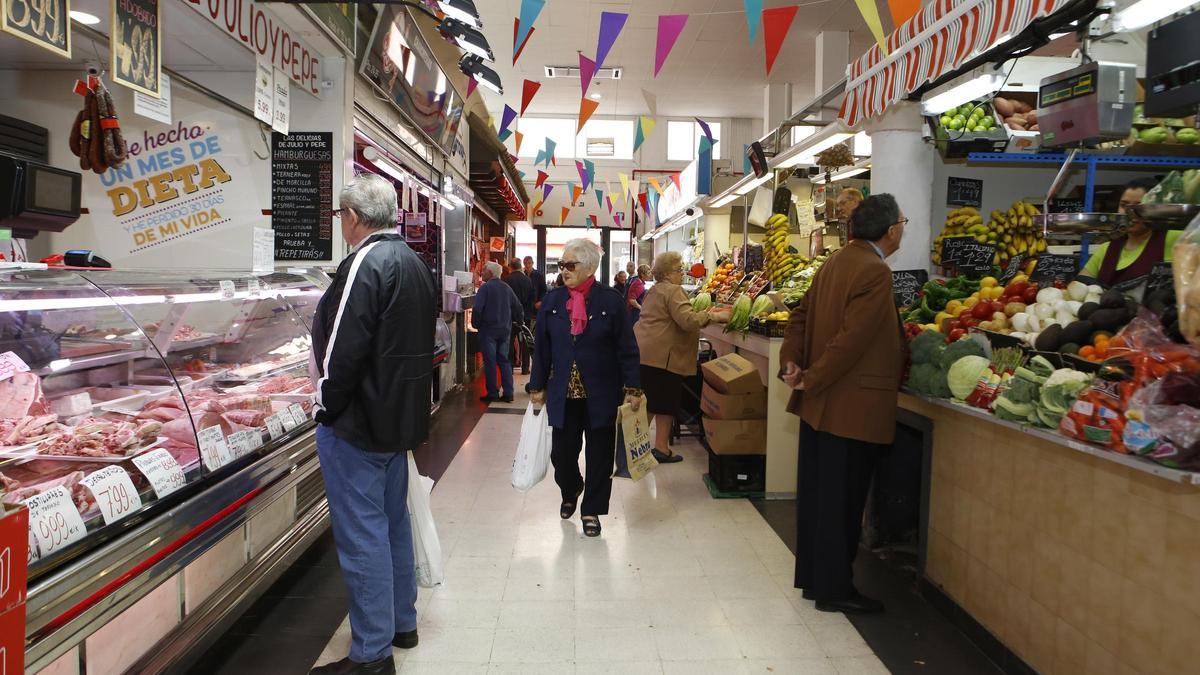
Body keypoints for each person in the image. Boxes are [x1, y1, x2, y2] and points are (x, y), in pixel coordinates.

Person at [309, 174, 437, 675]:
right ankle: (401, 623)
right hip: (399, 418)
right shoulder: (413, 262)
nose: (342, 223)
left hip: (357, 423)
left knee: (362, 535)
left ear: (354, 217)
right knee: (392, 525)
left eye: (342, 215)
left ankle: (370, 655)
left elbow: (342, 349)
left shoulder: (363, 262)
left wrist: (324, 404)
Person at [779, 193, 906, 615]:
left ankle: (817, 580)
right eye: (902, 222)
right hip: (851, 409)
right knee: (843, 503)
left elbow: (799, 316)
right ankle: (834, 588)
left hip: (821, 406)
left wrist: (792, 363)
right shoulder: (875, 272)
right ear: (892, 230)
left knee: (820, 500)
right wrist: (811, 376)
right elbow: (853, 340)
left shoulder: (835, 262)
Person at [529, 239, 643, 538]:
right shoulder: (553, 302)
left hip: (601, 392)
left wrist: (633, 387)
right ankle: (571, 486)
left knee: (599, 456)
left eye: (570, 265)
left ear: (590, 267)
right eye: (561, 265)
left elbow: (627, 348)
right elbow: (541, 348)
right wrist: (536, 385)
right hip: (563, 393)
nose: (563, 271)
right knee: (562, 455)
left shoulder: (611, 301)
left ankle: (591, 509)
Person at [634, 251, 726, 463]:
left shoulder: (655, 290)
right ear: (666, 273)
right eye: (678, 270)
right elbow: (688, 321)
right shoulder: (674, 291)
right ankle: (635, 451)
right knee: (658, 403)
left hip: (648, 353)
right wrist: (714, 315)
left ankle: (659, 448)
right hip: (664, 356)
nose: (681, 274)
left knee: (660, 403)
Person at [1079, 177, 1182, 287]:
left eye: (1139, 206)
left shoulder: (1175, 239)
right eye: (1124, 205)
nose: (1130, 212)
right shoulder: (1107, 249)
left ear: (1156, 209)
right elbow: (1079, 286)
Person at [473, 261, 523, 403]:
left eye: (484, 270)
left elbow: (477, 309)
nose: (481, 272)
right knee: (504, 361)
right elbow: (518, 307)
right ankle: (508, 392)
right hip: (504, 330)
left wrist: (476, 324)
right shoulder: (506, 288)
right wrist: (519, 321)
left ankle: (493, 393)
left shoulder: (485, 288)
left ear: (490, 273)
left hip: (488, 331)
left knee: (490, 362)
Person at [505, 258, 536, 375]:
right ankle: (525, 367)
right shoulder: (528, 280)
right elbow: (532, 298)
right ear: (520, 266)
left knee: (510, 342)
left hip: (510, 316)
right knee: (526, 342)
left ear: (510, 267)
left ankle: (510, 367)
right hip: (525, 315)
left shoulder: (507, 280)